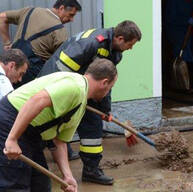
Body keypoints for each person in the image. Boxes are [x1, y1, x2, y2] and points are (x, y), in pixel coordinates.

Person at [38, 20, 142, 185]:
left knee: (93, 126)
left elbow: (106, 83)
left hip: (86, 90)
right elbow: (61, 68)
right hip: (58, 87)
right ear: (120, 38)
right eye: (130, 44)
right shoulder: (92, 43)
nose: (131, 48)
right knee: (50, 126)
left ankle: (91, 170)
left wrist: (105, 110)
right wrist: (67, 95)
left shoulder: (115, 53)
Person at [0, 58, 118, 192]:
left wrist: (67, 176)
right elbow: (36, 101)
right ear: (104, 83)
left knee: (41, 184)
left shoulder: (81, 102)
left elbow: (59, 142)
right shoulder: (75, 87)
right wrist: (12, 139)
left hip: (31, 133)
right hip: (10, 120)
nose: (108, 92)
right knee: (15, 183)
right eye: (110, 87)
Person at [0, 0, 81, 87]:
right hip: (32, 74)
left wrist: (7, 43)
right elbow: (64, 60)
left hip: (11, 65)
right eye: (71, 15)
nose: (71, 19)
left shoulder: (29, 11)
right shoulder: (60, 31)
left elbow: (2, 17)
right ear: (61, 8)